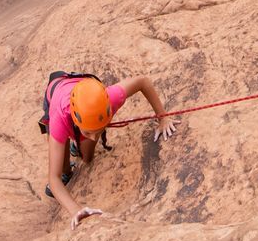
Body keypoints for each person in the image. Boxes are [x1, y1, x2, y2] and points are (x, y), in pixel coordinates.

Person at [43, 72, 178, 230]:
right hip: (56, 95)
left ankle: (78, 145)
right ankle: (69, 165)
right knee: (63, 167)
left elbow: (143, 81)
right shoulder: (59, 118)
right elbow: (54, 179)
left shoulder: (110, 98)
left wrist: (163, 118)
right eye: (88, 133)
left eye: (98, 131)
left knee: (87, 158)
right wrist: (76, 211)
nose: (94, 138)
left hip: (85, 101)